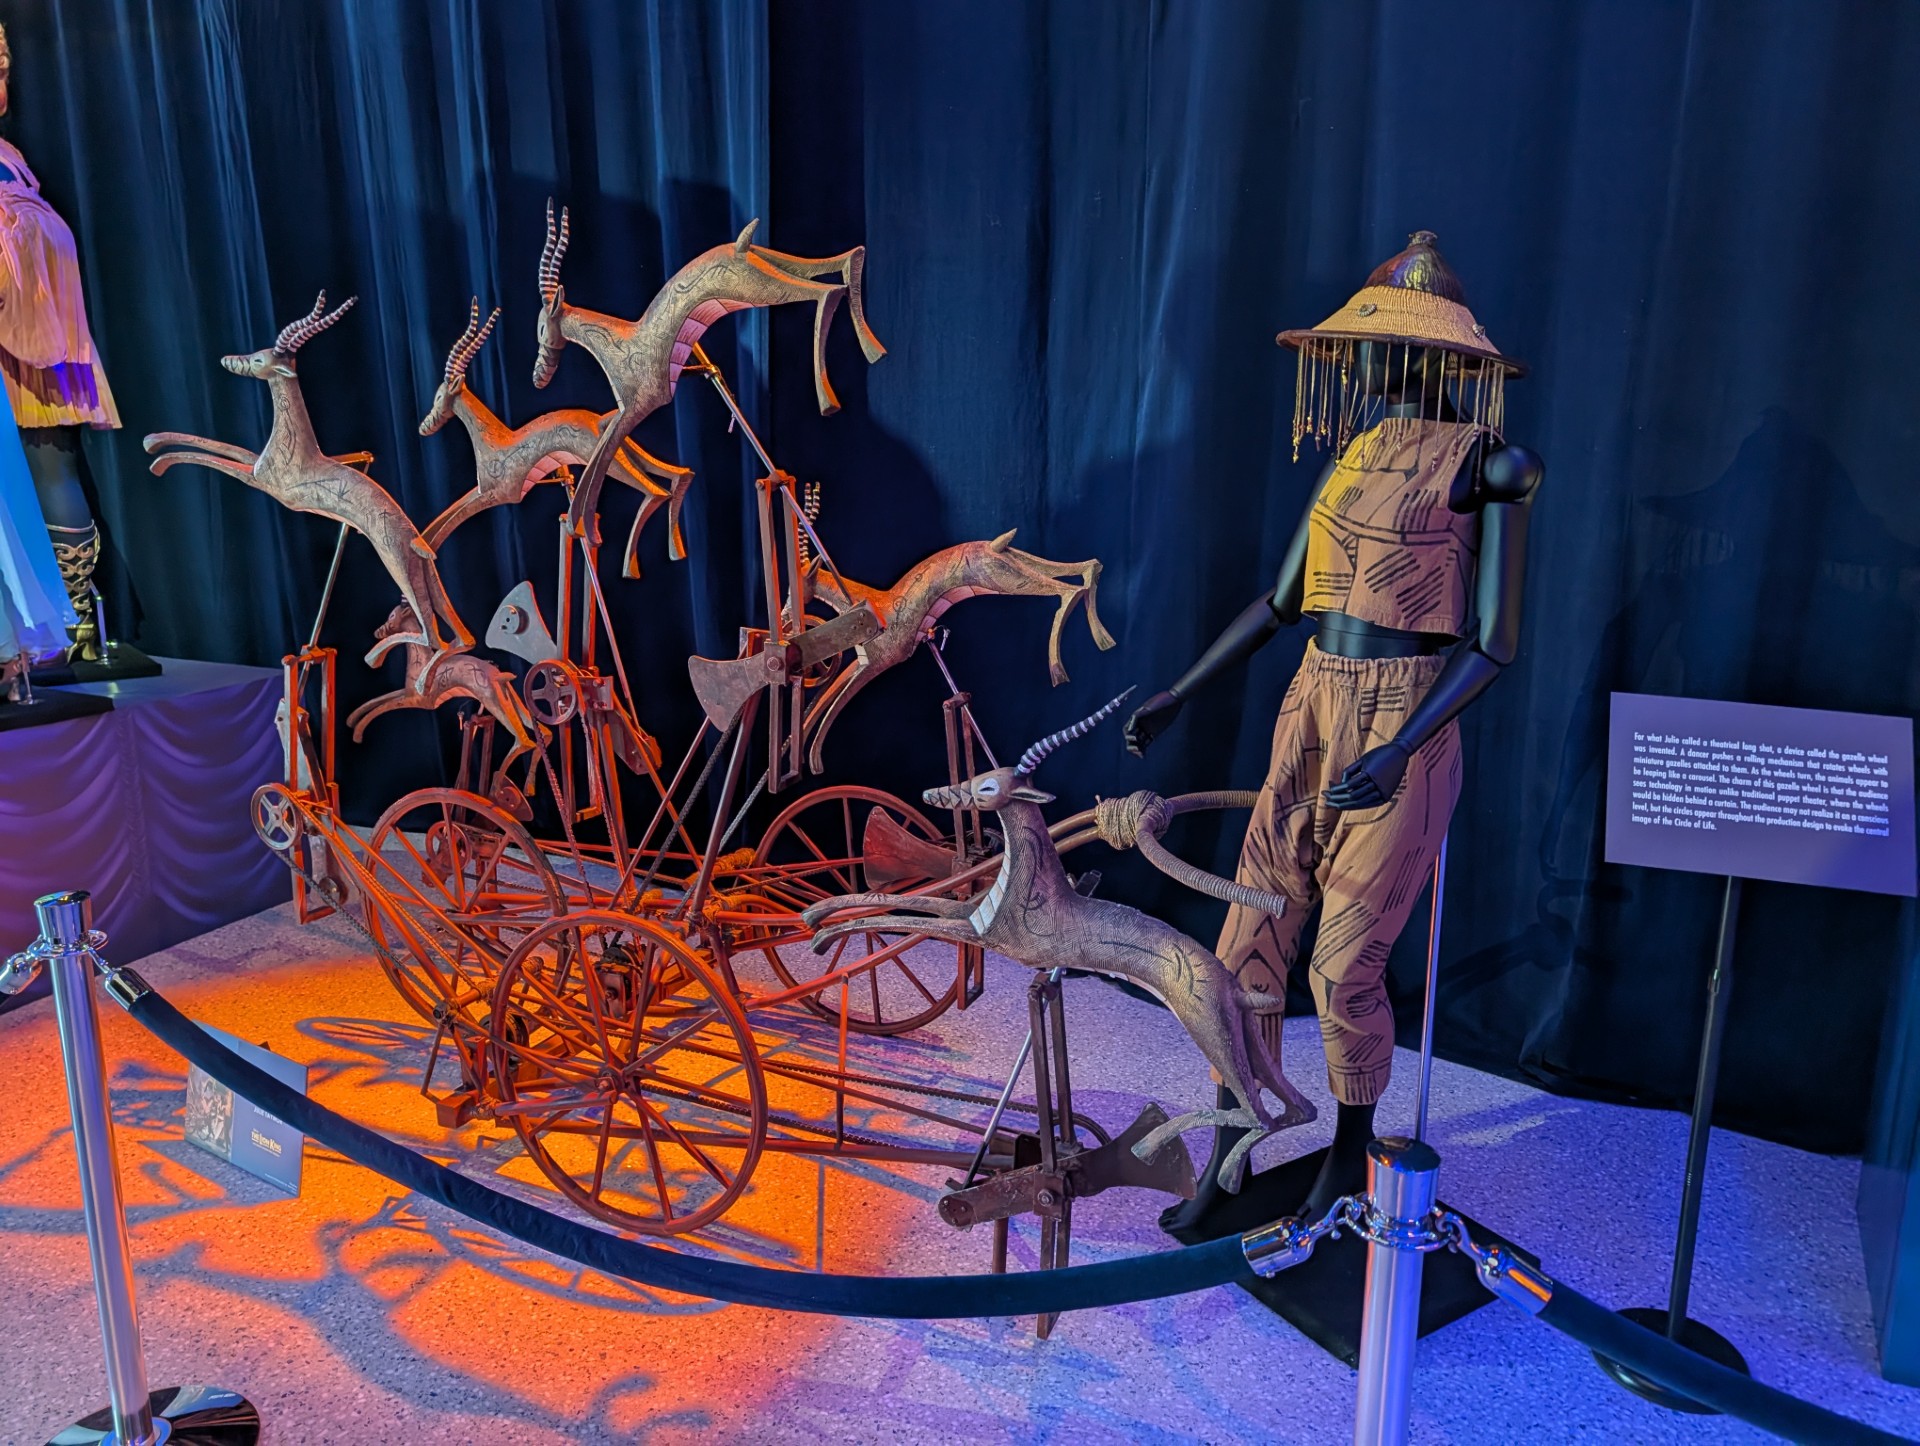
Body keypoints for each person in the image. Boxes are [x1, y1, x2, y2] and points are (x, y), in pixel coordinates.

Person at [1127, 232, 1543, 1228]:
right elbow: (1282, 602)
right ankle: (1235, 1139)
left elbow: (1493, 641)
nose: (1354, 358)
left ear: (1420, 350)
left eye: (1370, 342)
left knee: (1344, 964)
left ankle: (1350, 1151)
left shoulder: (1492, 466)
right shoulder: (1352, 457)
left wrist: (1401, 746)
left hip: (1407, 711)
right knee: (1247, 937)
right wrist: (1180, 691)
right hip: (1312, 698)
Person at [0, 23, 122, 661]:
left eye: (2, 69)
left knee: (46, 463)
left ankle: (63, 626)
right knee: (50, 462)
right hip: (45, 292)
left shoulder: (9, 159)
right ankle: (74, 624)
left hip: (26, 293)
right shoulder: (11, 156)